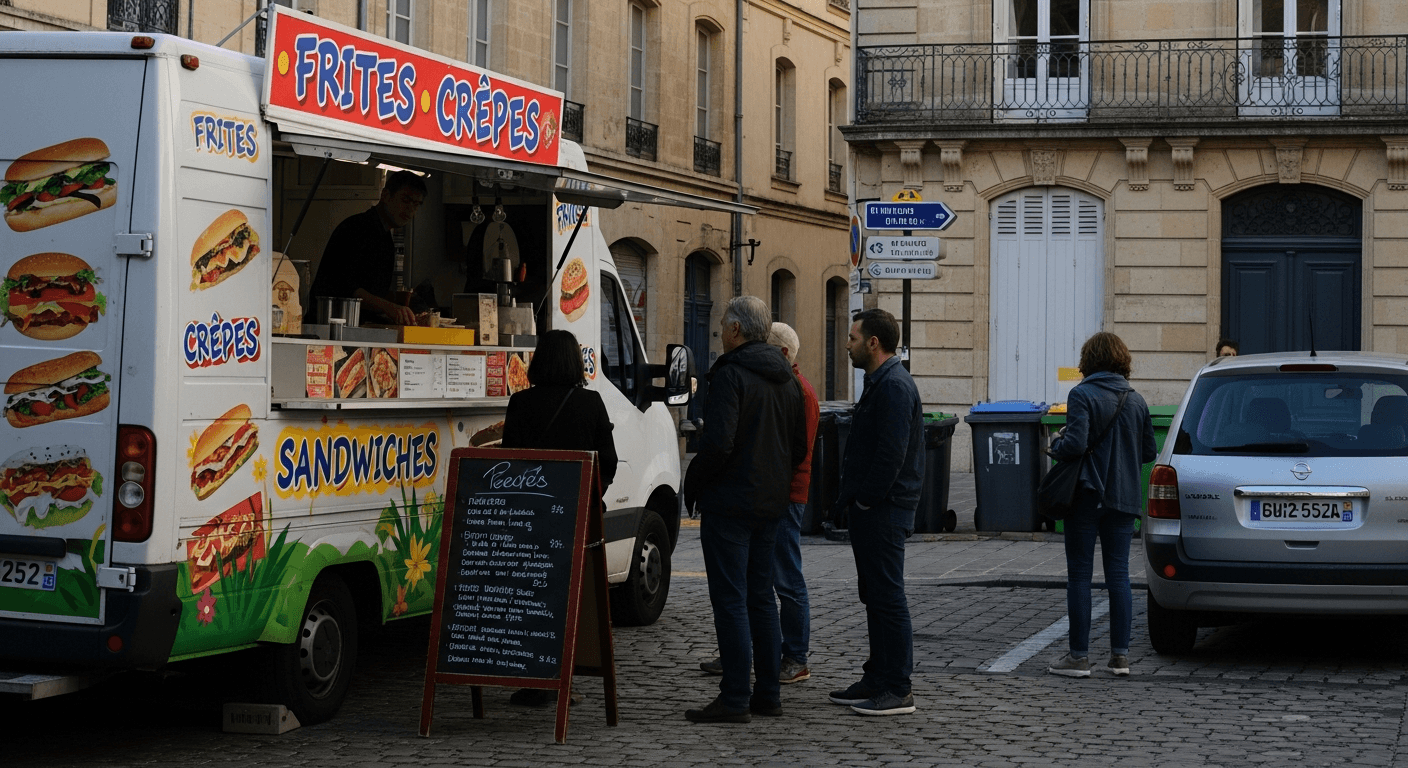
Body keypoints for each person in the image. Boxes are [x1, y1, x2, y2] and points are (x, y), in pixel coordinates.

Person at [682, 297, 807, 724]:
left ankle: (735, 696)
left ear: (736, 330)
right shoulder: (787, 379)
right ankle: (767, 693)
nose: (718, 330)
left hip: (731, 503)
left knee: (731, 600)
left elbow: (718, 444)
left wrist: (694, 482)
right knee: (760, 599)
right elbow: (800, 447)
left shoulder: (731, 374)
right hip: (770, 503)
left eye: (722, 324)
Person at [499, 329, 618, 706]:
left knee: (531, 598)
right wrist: (588, 494)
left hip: (529, 519)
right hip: (577, 517)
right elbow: (608, 463)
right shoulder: (591, 403)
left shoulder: (520, 403)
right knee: (572, 600)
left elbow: (509, 461)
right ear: (574, 362)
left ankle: (536, 680)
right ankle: (564, 678)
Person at [698, 322, 820, 685]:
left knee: (782, 580)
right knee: (757, 584)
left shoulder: (797, 389)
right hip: (772, 491)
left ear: (780, 353)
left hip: (783, 493)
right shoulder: (784, 383)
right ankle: (744, 654)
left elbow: (797, 448)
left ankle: (794, 656)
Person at [828, 308, 923, 717]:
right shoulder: (879, 382)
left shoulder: (894, 386)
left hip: (885, 509)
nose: (846, 344)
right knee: (875, 594)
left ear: (873, 343)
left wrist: (867, 498)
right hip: (874, 509)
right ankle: (878, 675)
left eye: (852, 338)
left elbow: (891, 453)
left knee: (887, 596)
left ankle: (898, 687)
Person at [1046, 332, 1157, 679]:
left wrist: (1057, 443)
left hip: (1087, 494)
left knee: (1080, 574)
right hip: (1123, 498)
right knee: (1119, 576)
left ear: (1089, 360)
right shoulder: (1136, 400)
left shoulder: (1081, 394)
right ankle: (1120, 657)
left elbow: (1076, 443)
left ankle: (1078, 657)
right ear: (1122, 360)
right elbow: (1149, 453)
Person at [310, 170, 427, 326]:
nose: (411, 210)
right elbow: (348, 287)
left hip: (358, 327)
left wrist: (402, 302)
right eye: (406, 200)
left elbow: (375, 291)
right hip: (331, 327)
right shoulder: (356, 229)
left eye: (416, 205)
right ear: (386, 195)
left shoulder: (385, 238)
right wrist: (390, 307)